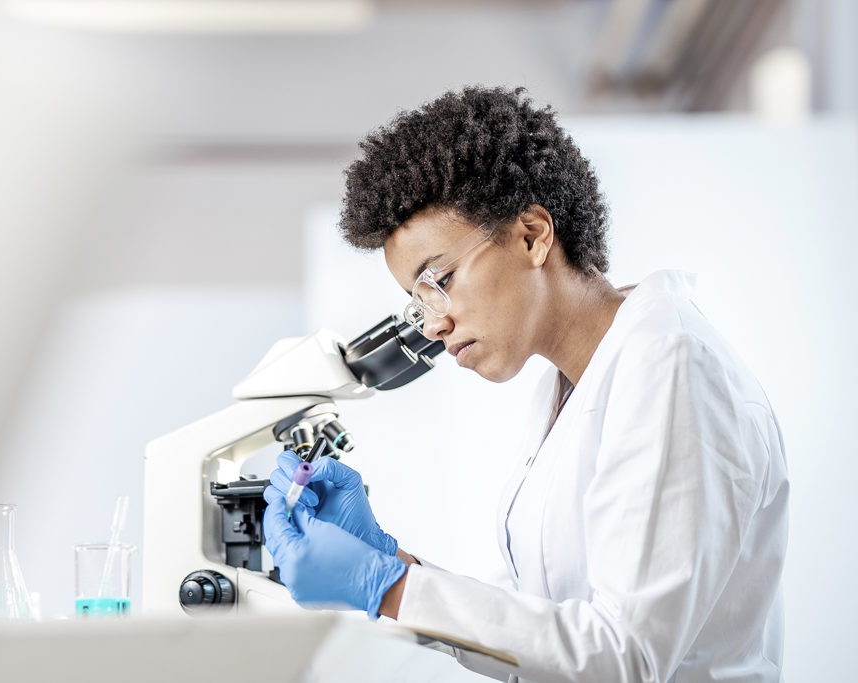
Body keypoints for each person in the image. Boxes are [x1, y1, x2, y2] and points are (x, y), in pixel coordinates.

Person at [262, 86, 788, 683]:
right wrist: (393, 563)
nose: (432, 323)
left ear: (534, 234)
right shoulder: (571, 386)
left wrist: (393, 590)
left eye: (438, 280)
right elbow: (542, 622)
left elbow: (625, 656)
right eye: (416, 300)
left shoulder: (670, 365)